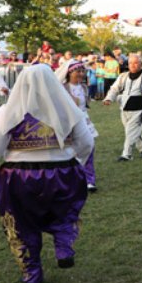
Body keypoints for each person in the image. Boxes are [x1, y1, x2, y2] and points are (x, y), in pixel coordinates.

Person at [0, 65, 94, 283]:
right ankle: (63, 244)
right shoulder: (68, 109)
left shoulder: (8, 111)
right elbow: (87, 143)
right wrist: (72, 162)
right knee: (63, 211)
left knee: (21, 226)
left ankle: (32, 274)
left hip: (20, 177)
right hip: (63, 172)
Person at [103, 54, 142, 161]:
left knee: (131, 131)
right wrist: (109, 98)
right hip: (124, 107)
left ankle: (126, 154)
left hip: (139, 108)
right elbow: (114, 89)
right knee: (132, 130)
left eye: (136, 63)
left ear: (141, 64)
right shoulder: (123, 76)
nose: (133, 65)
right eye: (130, 63)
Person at [57, 61, 100, 192]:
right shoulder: (62, 88)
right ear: (69, 73)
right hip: (69, 123)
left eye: (83, 71)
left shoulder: (84, 88)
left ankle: (89, 179)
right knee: (69, 151)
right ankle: (69, 178)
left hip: (83, 120)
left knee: (89, 147)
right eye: (78, 71)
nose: (81, 74)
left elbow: (83, 106)